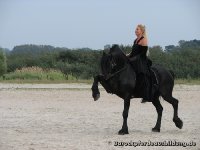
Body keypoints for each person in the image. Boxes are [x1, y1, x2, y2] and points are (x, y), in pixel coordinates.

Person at [127, 24, 154, 103]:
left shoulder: (144, 39)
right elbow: (132, 52)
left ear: (142, 31)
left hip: (141, 60)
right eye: (135, 29)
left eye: (137, 29)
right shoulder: (135, 40)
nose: (135, 30)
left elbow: (143, 53)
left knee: (142, 75)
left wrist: (133, 59)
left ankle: (145, 94)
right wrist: (127, 56)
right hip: (134, 59)